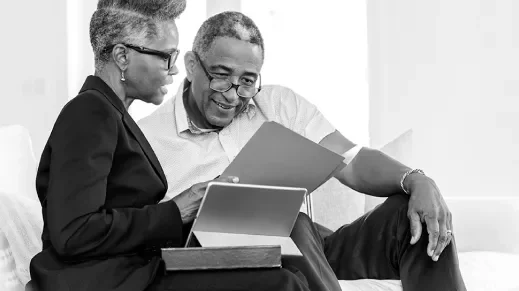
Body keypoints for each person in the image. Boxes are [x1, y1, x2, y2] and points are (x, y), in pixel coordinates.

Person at [138, 11, 467, 291]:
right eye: (221, 77)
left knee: (411, 215)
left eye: (248, 81)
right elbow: (147, 243)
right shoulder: (149, 140)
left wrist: (417, 181)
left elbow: (351, 160)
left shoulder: (279, 104)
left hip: (309, 247)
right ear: (193, 65)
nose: (234, 94)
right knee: (283, 217)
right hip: (231, 266)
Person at [27, 2, 310, 291]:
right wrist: (176, 210)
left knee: (285, 270)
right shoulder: (89, 111)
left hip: (136, 271)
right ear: (122, 56)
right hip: (107, 280)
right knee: (281, 283)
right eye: (166, 56)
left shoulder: (113, 115)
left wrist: (207, 212)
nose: (174, 70)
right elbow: (73, 232)